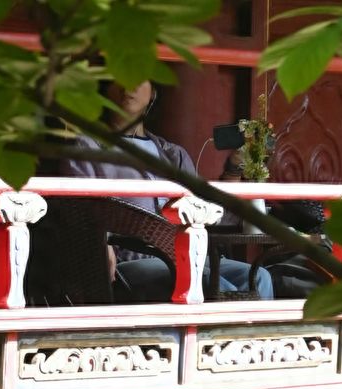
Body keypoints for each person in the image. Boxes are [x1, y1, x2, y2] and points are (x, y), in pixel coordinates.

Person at [61, 80, 272, 302]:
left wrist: (233, 168)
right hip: (131, 259)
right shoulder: (87, 146)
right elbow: (77, 207)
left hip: (185, 255)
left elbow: (209, 210)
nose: (127, 85)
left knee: (258, 277)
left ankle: (254, 336)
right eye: (117, 77)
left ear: (152, 93)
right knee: (214, 283)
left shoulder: (172, 154)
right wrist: (99, 244)